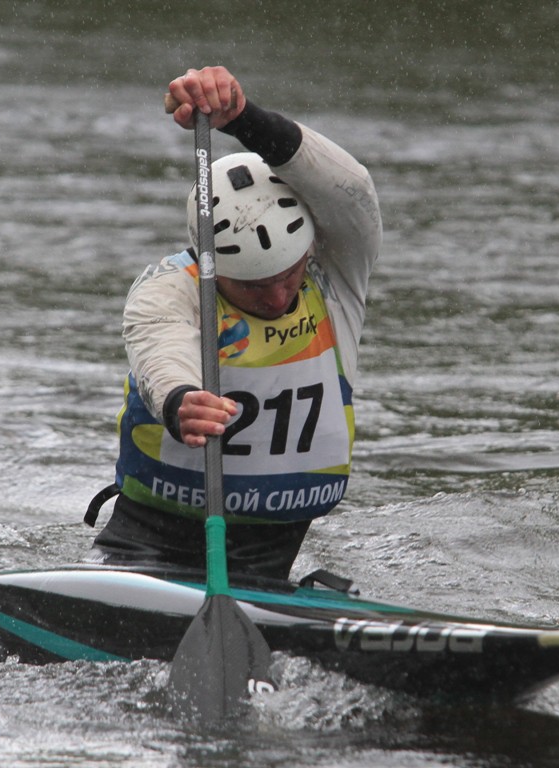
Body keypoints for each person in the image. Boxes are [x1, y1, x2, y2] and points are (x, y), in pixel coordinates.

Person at [84, 66, 382, 581]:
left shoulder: (335, 277)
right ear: (212, 269)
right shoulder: (169, 288)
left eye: (286, 276)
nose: (277, 296)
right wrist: (180, 401)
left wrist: (244, 120)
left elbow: (351, 189)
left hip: (269, 563)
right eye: (253, 286)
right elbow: (160, 346)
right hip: (145, 547)